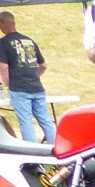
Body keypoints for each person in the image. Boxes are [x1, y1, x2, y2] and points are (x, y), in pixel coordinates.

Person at [0, 10, 53, 144]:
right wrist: (35, 76)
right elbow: (43, 65)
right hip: (37, 86)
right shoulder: (29, 41)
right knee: (45, 120)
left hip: (19, 88)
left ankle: (31, 153)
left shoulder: (3, 43)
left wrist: (8, 85)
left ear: (2, 23)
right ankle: (55, 148)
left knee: (25, 120)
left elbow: (4, 67)